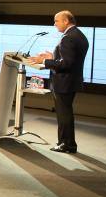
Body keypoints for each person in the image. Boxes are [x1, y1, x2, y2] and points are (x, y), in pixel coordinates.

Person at [29, 11, 89, 154]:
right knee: (66, 113)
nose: (54, 24)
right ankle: (68, 143)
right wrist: (52, 56)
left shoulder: (68, 37)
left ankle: (66, 144)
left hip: (64, 82)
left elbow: (66, 64)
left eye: (56, 21)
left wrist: (43, 61)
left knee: (64, 115)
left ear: (66, 21)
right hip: (71, 81)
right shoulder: (79, 35)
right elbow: (69, 59)